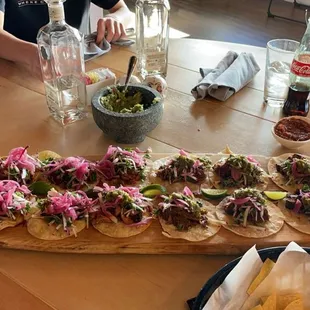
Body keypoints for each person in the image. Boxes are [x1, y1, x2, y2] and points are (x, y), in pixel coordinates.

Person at [0, 0, 132, 79]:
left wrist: (116, 19)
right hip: (17, 70)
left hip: (76, 65)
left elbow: (123, 10)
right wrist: (34, 55)